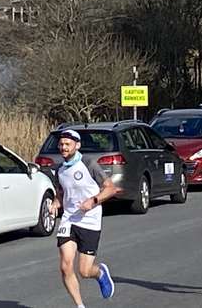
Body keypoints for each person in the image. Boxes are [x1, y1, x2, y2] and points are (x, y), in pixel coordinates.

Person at [49, 129, 118, 308]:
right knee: (65, 265)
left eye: (67, 144)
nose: (63, 147)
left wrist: (93, 201)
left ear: (77, 145)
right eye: (61, 144)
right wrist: (56, 203)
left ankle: (100, 273)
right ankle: (80, 306)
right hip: (69, 219)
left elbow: (110, 188)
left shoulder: (89, 164)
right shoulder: (59, 170)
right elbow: (61, 192)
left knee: (85, 271)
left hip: (90, 219)